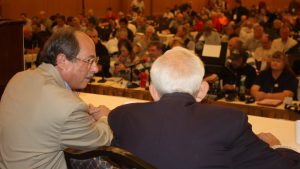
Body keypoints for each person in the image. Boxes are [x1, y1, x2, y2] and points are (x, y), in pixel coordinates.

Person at [108, 46, 300, 169]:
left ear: (153, 91)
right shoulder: (229, 121)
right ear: (202, 90)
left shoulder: (121, 117)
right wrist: (278, 146)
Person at [0, 29, 113, 169]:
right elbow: (100, 140)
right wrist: (104, 117)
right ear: (62, 61)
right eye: (89, 61)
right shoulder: (68, 106)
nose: (95, 68)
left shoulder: (19, 78)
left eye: (95, 61)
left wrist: (81, 114)